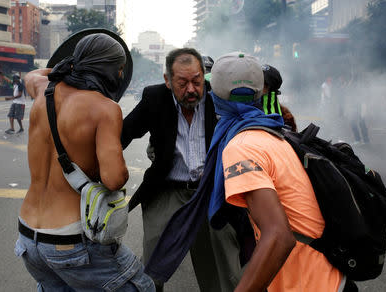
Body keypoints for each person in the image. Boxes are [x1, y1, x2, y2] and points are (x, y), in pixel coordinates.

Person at [16, 33, 155, 291]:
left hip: (28, 238)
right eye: (120, 69)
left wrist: (71, 64)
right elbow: (114, 178)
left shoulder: (41, 89)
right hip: (71, 240)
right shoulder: (104, 109)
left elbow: (32, 74)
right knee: (141, 287)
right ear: (114, 71)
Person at [208, 52, 352, 292]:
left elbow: (278, 236)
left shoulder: (242, 147)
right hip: (329, 277)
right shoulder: (272, 131)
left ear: (216, 97)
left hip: (311, 284)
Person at [121, 48, 243, 292]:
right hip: (167, 191)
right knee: (153, 267)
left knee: (223, 270)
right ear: (168, 81)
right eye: (182, 82)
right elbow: (120, 135)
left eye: (197, 81)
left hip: (211, 192)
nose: (191, 89)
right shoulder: (154, 98)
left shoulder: (218, 98)